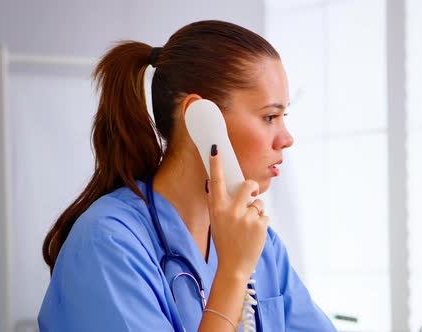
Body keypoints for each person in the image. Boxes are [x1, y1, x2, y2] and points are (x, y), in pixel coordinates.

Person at [38, 20, 336, 332]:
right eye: (269, 117)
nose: (286, 138)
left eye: (282, 117)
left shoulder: (259, 243)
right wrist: (233, 274)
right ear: (201, 116)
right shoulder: (108, 242)